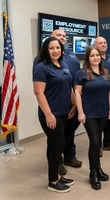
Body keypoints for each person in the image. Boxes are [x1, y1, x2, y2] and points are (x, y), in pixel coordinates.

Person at [33, 29, 82, 175]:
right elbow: (38, 91)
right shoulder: (40, 64)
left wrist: (73, 104)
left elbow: (69, 85)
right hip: (52, 110)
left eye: (58, 47)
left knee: (65, 137)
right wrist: (48, 114)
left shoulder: (65, 62)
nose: (56, 50)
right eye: (52, 47)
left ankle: (66, 161)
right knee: (56, 142)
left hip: (66, 109)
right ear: (47, 47)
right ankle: (54, 173)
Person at [74, 46, 110, 190]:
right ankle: (93, 173)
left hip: (103, 113)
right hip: (89, 113)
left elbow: (109, 91)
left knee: (98, 142)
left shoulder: (105, 72)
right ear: (88, 58)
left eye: (97, 55)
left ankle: (98, 168)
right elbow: (77, 93)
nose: (95, 58)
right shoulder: (81, 73)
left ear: (100, 57)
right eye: (92, 56)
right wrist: (80, 112)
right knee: (95, 142)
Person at [94, 36, 110, 155]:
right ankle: (97, 145)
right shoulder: (93, 58)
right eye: (100, 43)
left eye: (104, 42)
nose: (103, 44)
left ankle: (108, 143)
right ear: (95, 45)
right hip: (98, 95)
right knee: (98, 121)